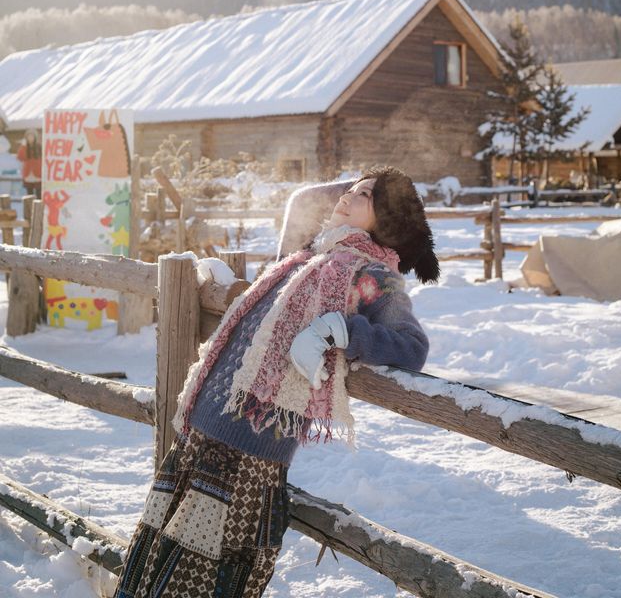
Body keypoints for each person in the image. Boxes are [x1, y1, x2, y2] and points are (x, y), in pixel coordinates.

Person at [115, 166, 439, 598]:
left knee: (203, 578)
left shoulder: (371, 275)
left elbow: (411, 346)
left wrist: (338, 330)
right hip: (209, 428)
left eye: (364, 195)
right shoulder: (307, 258)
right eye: (352, 188)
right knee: (159, 564)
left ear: (387, 218)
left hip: (250, 452)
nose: (347, 195)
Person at [16, 129, 42, 198]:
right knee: (29, 195)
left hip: (38, 174)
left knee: (39, 194)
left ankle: (39, 208)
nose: (30, 138)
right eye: (28, 136)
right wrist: (23, 146)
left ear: (35, 137)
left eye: (32, 136)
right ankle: (30, 208)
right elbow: (20, 157)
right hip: (28, 175)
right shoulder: (24, 147)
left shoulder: (39, 147)